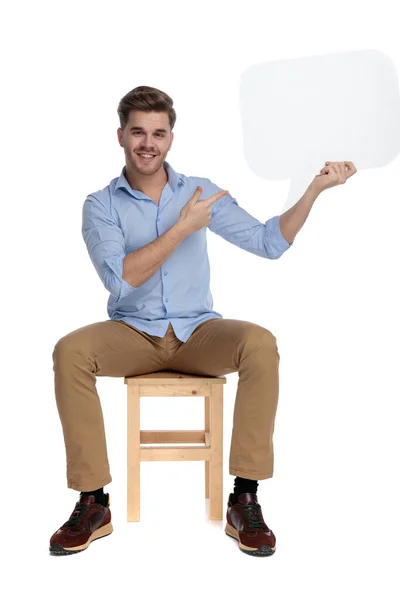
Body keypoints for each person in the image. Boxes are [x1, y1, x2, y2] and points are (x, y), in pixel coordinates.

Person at [49, 85, 356, 557]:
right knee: (70, 350)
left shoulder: (200, 192)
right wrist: (182, 228)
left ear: (171, 138)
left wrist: (314, 190)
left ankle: (245, 496)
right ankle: (93, 501)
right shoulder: (100, 204)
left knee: (259, 342)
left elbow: (268, 242)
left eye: (158, 133)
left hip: (198, 333)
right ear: (120, 136)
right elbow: (120, 281)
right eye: (138, 132)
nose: (148, 143)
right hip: (133, 332)